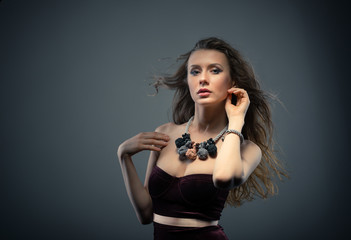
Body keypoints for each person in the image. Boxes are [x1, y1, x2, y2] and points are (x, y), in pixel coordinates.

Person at [117, 37, 288, 240]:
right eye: (195, 71)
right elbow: (146, 214)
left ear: (232, 82)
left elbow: (224, 178)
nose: (202, 79)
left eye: (215, 70)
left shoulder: (247, 149)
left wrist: (236, 121)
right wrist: (124, 155)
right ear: (187, 80)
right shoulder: (165, 132)